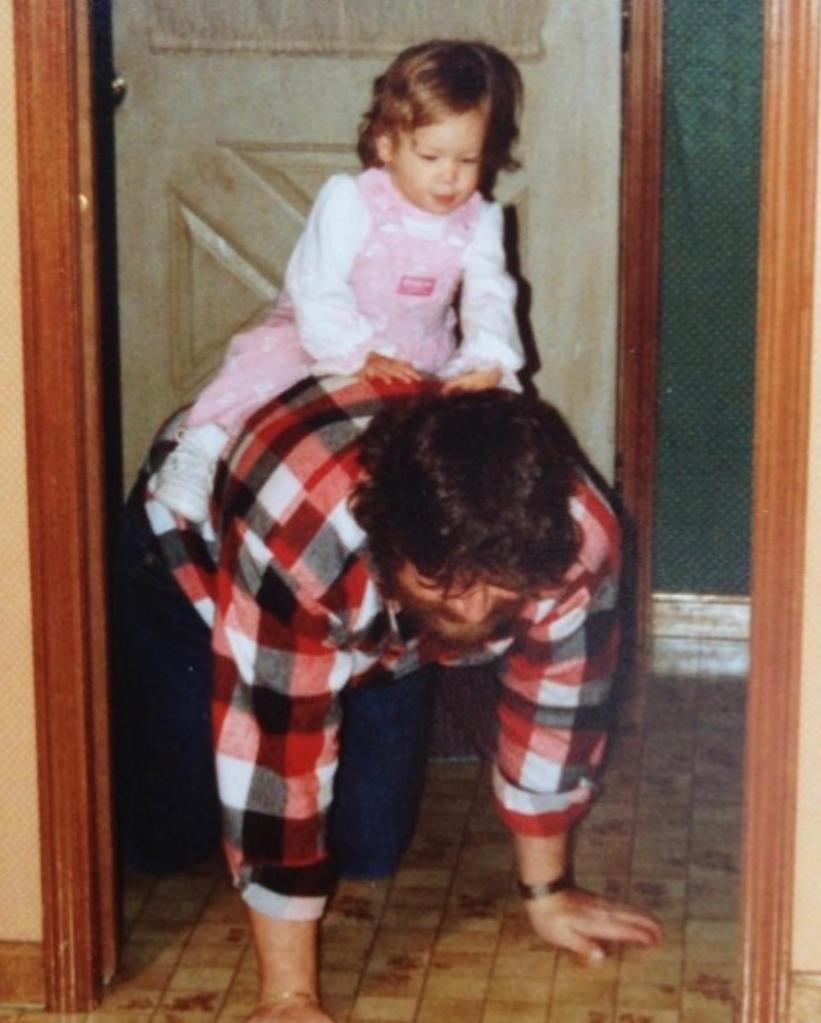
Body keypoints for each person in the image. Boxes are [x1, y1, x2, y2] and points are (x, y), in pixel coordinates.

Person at [135, 374, 661, 1023]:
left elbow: (558, 708)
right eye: (445, 586)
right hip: (193, 556)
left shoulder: (579, 536)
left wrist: (546, 890)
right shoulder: (300, 529)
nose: (471, 610)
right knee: (163, 841)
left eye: (498, 590)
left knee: (371, 849)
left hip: (379, 628)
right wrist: (288, 997)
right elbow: (276, 752)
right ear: (385, 539)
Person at [149, 39, 526, 522]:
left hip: (422, 349)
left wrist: (488, 356)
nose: (449, 178)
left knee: (485, 411)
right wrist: (357, 351)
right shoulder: (351, 198)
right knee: (262, 368)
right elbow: (316, 285)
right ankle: (201, 446)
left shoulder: (481, 220)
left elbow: (490, 294)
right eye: (430, 157)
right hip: (325, 333)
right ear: (387, 144)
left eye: (467, 160)